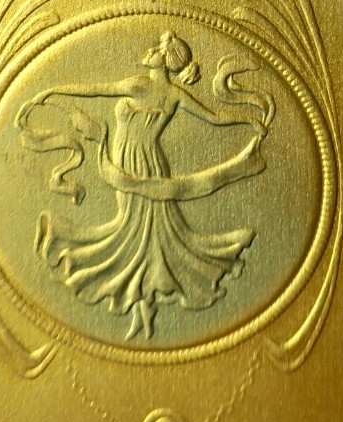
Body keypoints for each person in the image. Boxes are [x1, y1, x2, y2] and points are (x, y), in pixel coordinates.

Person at [17, 31, 274, 340]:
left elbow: (95, 91)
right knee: (140, 230)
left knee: (145, 232)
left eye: (156, 48)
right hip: (148, 162)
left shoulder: (140, 85)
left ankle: (143, 303)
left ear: (164, 60)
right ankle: (145, 305)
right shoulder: (175, 94)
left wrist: (54, 92)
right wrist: (248, 120)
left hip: (131, 162)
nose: (150, 49)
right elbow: (216, 118)